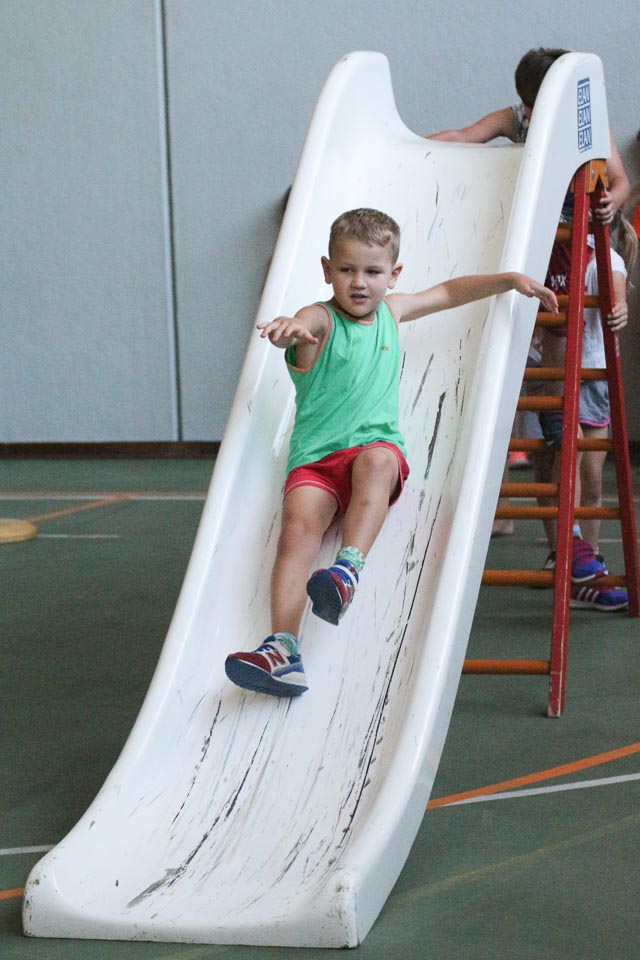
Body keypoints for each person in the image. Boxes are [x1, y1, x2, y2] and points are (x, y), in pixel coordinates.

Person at [224, 208, 558, 697]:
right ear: (327, 270)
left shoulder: (391, 312)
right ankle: (283, 650)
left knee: (379, 460)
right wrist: (289, 329)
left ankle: (347, 570)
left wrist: (508, 280)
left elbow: (449, 292)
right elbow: (304, 321)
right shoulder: (319, 320)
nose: (359, 282)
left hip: (372, 452)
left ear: (393, 274)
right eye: (346, 269)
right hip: (315, 462)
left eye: (372, 271)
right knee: (296, 532)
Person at [534, 211, 636, 611]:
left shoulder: (605, 257)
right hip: (555, 378)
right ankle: (564, 551)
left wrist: (621, 306)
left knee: (591, 476)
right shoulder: (548, 252)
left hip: (593, 377)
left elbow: (617, 288)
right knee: (559, 463)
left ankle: (587, 560)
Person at [428, 48, 630, 224]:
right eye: (529, 107)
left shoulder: (588, 125)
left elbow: (620, 180)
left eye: (544, 108)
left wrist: (613, 200)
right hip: (531, 223)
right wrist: (417, 147)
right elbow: (462, 136)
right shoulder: (518, 118)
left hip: (580, 226)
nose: (535, 115)